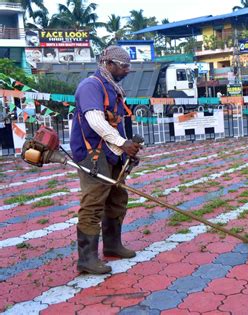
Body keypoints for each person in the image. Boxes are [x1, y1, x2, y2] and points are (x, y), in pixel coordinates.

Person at [70, 45, 140, 274]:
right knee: (93, 202)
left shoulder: (113, 88)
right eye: (124, 65)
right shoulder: (91, 86)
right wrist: (122, 143)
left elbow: (115, 123)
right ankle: (87, 259)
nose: (128, 70)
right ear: (108, 64)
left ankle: (112, 245)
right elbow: (95, 121)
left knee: (117, 197)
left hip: (111, 153)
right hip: (92, 153)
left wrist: (125, 150)